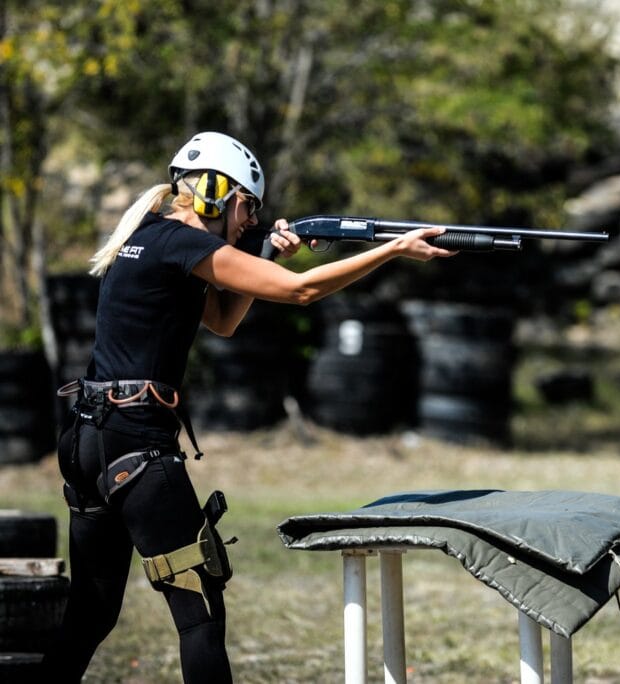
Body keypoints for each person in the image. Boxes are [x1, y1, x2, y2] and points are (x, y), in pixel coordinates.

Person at [41, 131, 457, 683]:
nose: (249, 219)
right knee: (201, 618)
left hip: (90, 439)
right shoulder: (182, 244)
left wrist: (261, 251)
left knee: (90, 615)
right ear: (216, 191)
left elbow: (224, 321)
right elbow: (300, 291)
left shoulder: (150, 238)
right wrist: (394, 248)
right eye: (247, 205)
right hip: (136, 445)